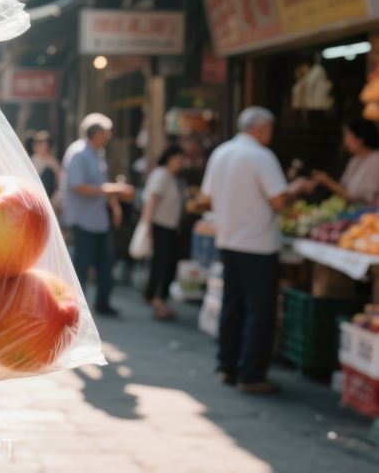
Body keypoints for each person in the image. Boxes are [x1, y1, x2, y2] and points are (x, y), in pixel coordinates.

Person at [202, 107, 305, 394]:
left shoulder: (221, 152)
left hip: (228, 240)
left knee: (232, 306)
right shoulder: (261, 156)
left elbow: (208, 196)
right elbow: (279, 201)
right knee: (259, 311)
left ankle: (227, 365)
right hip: (257, 244)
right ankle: (251, 374)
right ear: (262, 128)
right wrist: (297, 188)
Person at [61, 113, 134, 316]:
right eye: (106, 133)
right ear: (95, 133)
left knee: (105, 262)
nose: (108, 137)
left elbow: (101, 182)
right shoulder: (78, 153)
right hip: (83, 220)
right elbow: (78, 186)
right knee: (82, 266)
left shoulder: (97, 153)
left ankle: (103, 302)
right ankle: (75, 308)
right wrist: (115, 189)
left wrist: (114, 205)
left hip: (99, 219)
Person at [141, 145, 186, 320]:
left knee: (167, 263)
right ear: (170, 158)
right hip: (160, 225)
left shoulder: (173, 177)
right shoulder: (161, 175)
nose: (181, 164)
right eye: (179, 160)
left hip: (170, 226)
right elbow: (151, 200)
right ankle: (156, 298)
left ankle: (157, 298)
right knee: (162, 264)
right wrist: (147, 226)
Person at [309, 118, 379, 204]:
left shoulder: (376, 160)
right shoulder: (355, 159)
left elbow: (364, 200)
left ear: (360, 139)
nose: (345, 141)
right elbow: (344, 188)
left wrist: (327, 181)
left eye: (347, 135)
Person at [31, 131, 60, 199]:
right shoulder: (32, 159)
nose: (37, 145)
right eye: (36, 142)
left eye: (40, 142)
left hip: (49, 199)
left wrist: (56, 197)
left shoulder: (52, 161)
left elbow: (61, 180)